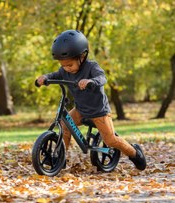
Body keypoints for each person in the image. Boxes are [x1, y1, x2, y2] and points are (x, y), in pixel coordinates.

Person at [36, 30, 146, 170]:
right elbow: (56, 74)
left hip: (99, 111)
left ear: (82, 57)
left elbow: (102, 78)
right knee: (65, 125)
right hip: (81, 109)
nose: (66, 69)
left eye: (69, 65)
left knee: (110, 140)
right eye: (63, 65)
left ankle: (135, 153)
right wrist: (45, 78)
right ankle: (60, 158)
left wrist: (91, 81)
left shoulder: (92, 67)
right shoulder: (65, 70)